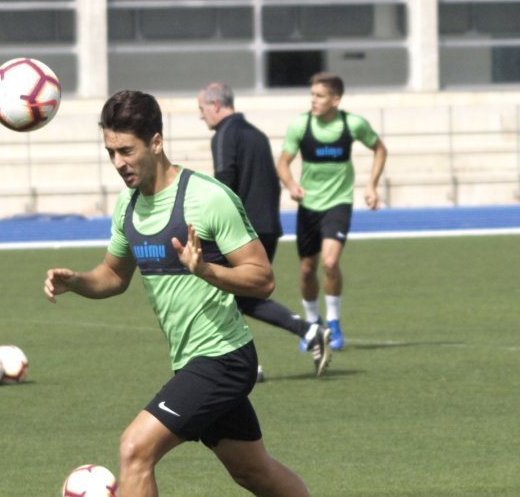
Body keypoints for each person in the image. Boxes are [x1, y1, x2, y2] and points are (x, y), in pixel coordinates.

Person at [44, 90, 310, 497]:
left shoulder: (208, 198)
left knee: (135, 449)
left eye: (126, 151)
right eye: (110, 152)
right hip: (190, 360)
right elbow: (113, 276)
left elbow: (262, 279)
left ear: (156, 142)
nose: (118, 163)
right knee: (253, 473)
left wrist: (205, 270)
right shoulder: (128, 206)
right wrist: (77, 282)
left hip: (223, 358)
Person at [198, 82, 332, 378]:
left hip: (240, 233)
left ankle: (247, 362)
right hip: (267, 226)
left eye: (202, 108)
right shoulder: (256, 134)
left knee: (218, 291)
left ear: (215, 105)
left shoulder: (224, 135)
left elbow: (224, 184)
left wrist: (209, 225)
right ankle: (307, 332)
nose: (200, 115)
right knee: (243, 296)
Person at [275, 72, 388, 351]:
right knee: (306, 270)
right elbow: (283, 163)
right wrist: (291, 185)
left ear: (335, 100)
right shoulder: (301, 125)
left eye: (320, 96)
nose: (313, 100)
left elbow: (379, 149)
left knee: (329, 263)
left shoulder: (353, 124)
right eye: (312, 95)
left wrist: (371, 185)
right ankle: (313, 325)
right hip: (308, 206)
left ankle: (334, 323)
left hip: (338, 203)